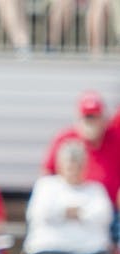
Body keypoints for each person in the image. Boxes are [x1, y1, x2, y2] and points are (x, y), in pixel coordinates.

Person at [41, 92, 120, 237]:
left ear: (103, 119)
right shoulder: (65, 139)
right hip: (71, 209)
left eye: (94, 117)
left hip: (110, 211)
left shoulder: (115, 139)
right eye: (87, 117)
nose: (90, 122)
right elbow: (47, 175)